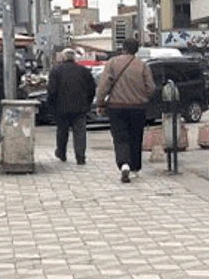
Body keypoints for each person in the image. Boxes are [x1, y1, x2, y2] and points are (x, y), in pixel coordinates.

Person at [96, 38, 155, 183]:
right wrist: (143, 96)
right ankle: (135, 167)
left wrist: (100, 103)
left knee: (120, 137)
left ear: (123, 48)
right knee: (136, 136)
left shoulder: (112, 63)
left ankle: (124, 164)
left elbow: (104, 86)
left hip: (117, 107)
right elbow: (151, 88)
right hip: (138, 107)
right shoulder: (142, 66)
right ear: (136, 50)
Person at [47, 48, 96, 165]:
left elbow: (52, 90)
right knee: (80, 132)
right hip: (80, 107)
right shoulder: (83, 71)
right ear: (74, 58)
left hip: (61, 107)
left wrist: (51, 105)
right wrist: (87, 103)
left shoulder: (56, 71)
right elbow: (92, 89)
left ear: (63, 58)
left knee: (62, 131)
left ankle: (61, 152)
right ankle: (80, 156)